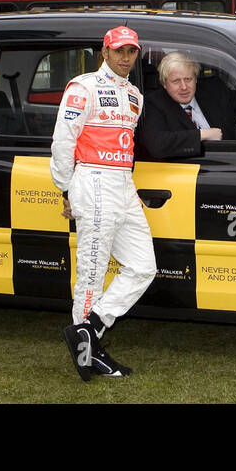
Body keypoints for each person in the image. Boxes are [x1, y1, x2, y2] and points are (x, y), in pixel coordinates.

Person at [50, 25, 155, 381]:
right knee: (91, 274)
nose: (126, 58)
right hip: (92, 179)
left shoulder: (136, 96)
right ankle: (88, 354)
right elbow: (63, 142)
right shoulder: (83, 87)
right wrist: (67, 189)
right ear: (105, 52)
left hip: (124, 183)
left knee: (143, 266)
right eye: (119, 51)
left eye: (132, 51)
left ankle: (90, 328)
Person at [136, 52, 236, 160]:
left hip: (234, 163)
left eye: (188, 79)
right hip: (187, 171)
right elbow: (157, 144)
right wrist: (201, 134)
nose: (184, 87)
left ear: (195, 79)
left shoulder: (214, 91)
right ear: (164, 84)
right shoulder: (154, 102)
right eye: (176, 81)